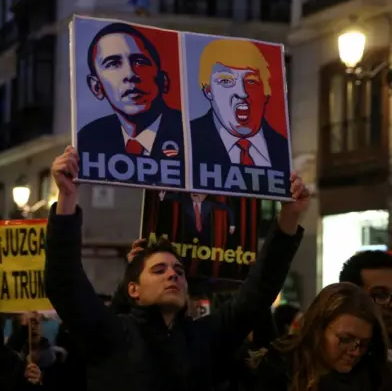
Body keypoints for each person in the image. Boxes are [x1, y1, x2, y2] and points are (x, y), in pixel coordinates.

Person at [45, 146, 307, 391]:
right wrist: (66, 199)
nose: (173, 274)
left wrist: (290, 216)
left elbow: (258, 293)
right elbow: (65, 283)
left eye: (179, 271)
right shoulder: (111, 333)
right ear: (133, 289)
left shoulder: (205, 338)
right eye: (159, 270)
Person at [247, 282, 392, 391]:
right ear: (318, 329)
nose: (356, 352)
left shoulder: (378, 377)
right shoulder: (277, 368)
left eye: (364, 344)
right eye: (345, 339)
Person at [77, 22, 183, 162]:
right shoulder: (90, 139)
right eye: (113, 63)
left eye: (140, 62)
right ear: (96, 87)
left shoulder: (193, 136)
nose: (130, 74)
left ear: (163, 80)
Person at [190, 38, 289, 171]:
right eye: (226, 81)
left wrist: (297, 191)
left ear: (266, 93)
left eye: (251, 82)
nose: (242, 93)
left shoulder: (283, 148)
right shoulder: (187, 141)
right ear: (208, 91)